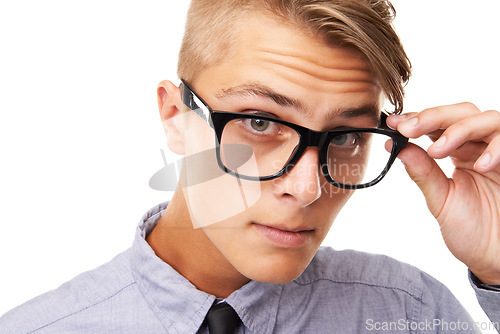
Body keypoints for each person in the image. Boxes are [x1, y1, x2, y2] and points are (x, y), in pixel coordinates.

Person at [1, 0, 499, 333]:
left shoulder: (410, 314)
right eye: (260, 123)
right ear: (175, 117)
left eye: (346, 136)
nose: (306, 187)